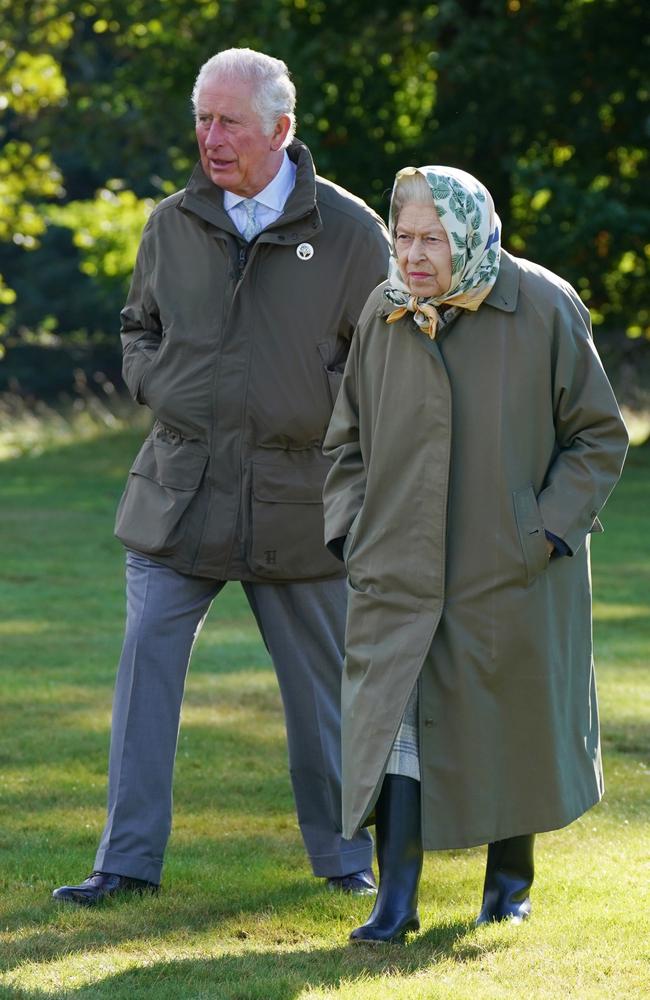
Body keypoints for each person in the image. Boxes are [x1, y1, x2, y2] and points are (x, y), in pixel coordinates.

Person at [52, 48, 390, 905]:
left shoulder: (351, 234)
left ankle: (346, 861)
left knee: (324, 701)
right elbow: (139, 326)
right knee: (143, 682)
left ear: (281, 129)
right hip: (178, 495)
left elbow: (384, 366)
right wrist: (155, 382)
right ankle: (124, 864)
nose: (209, 137)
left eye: (227, 121)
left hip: (299, 503)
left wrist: (323, 407)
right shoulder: (171, 222)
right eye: (201, 119)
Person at [322, 164, 629, 943]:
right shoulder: (385, 309)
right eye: (404, 236)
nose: (415, 255)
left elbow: (597, 436)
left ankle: (509, 885)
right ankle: (394, 900)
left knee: (508, 719)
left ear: (469, 233)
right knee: (394, 721)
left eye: (432, 238)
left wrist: (545, 532)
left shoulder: (544, 305)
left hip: (508, 566)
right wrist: (352, 526)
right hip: (396, 564)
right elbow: (347, 438)